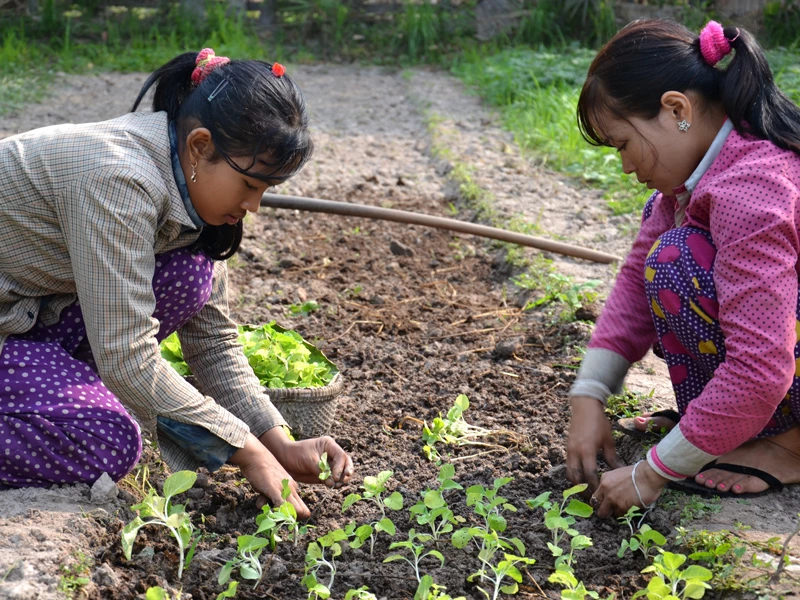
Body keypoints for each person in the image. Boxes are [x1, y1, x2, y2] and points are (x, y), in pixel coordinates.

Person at [0, 48, 353, 518]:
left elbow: (213, 344)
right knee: (107, 438)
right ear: (200, 145)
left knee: (190, 274)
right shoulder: (119, 180)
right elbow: (127, 356)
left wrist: (277, 441)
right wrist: (246, 453)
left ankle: (51, 386)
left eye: (266, 190)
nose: (255, 206)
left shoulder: (186, 193)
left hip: (25, 310)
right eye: (250, 184)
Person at [566, 19, 800, 517]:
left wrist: (652, 471)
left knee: (678, 260)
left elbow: (760, 366)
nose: (626, 166)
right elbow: (632, 285)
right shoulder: (696, 181)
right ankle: (722, 424)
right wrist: (588, 395)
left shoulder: (752, 188)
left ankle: (790, 442)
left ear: (676, 110)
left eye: (623, 144)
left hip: (774, 371)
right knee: (667, 254)